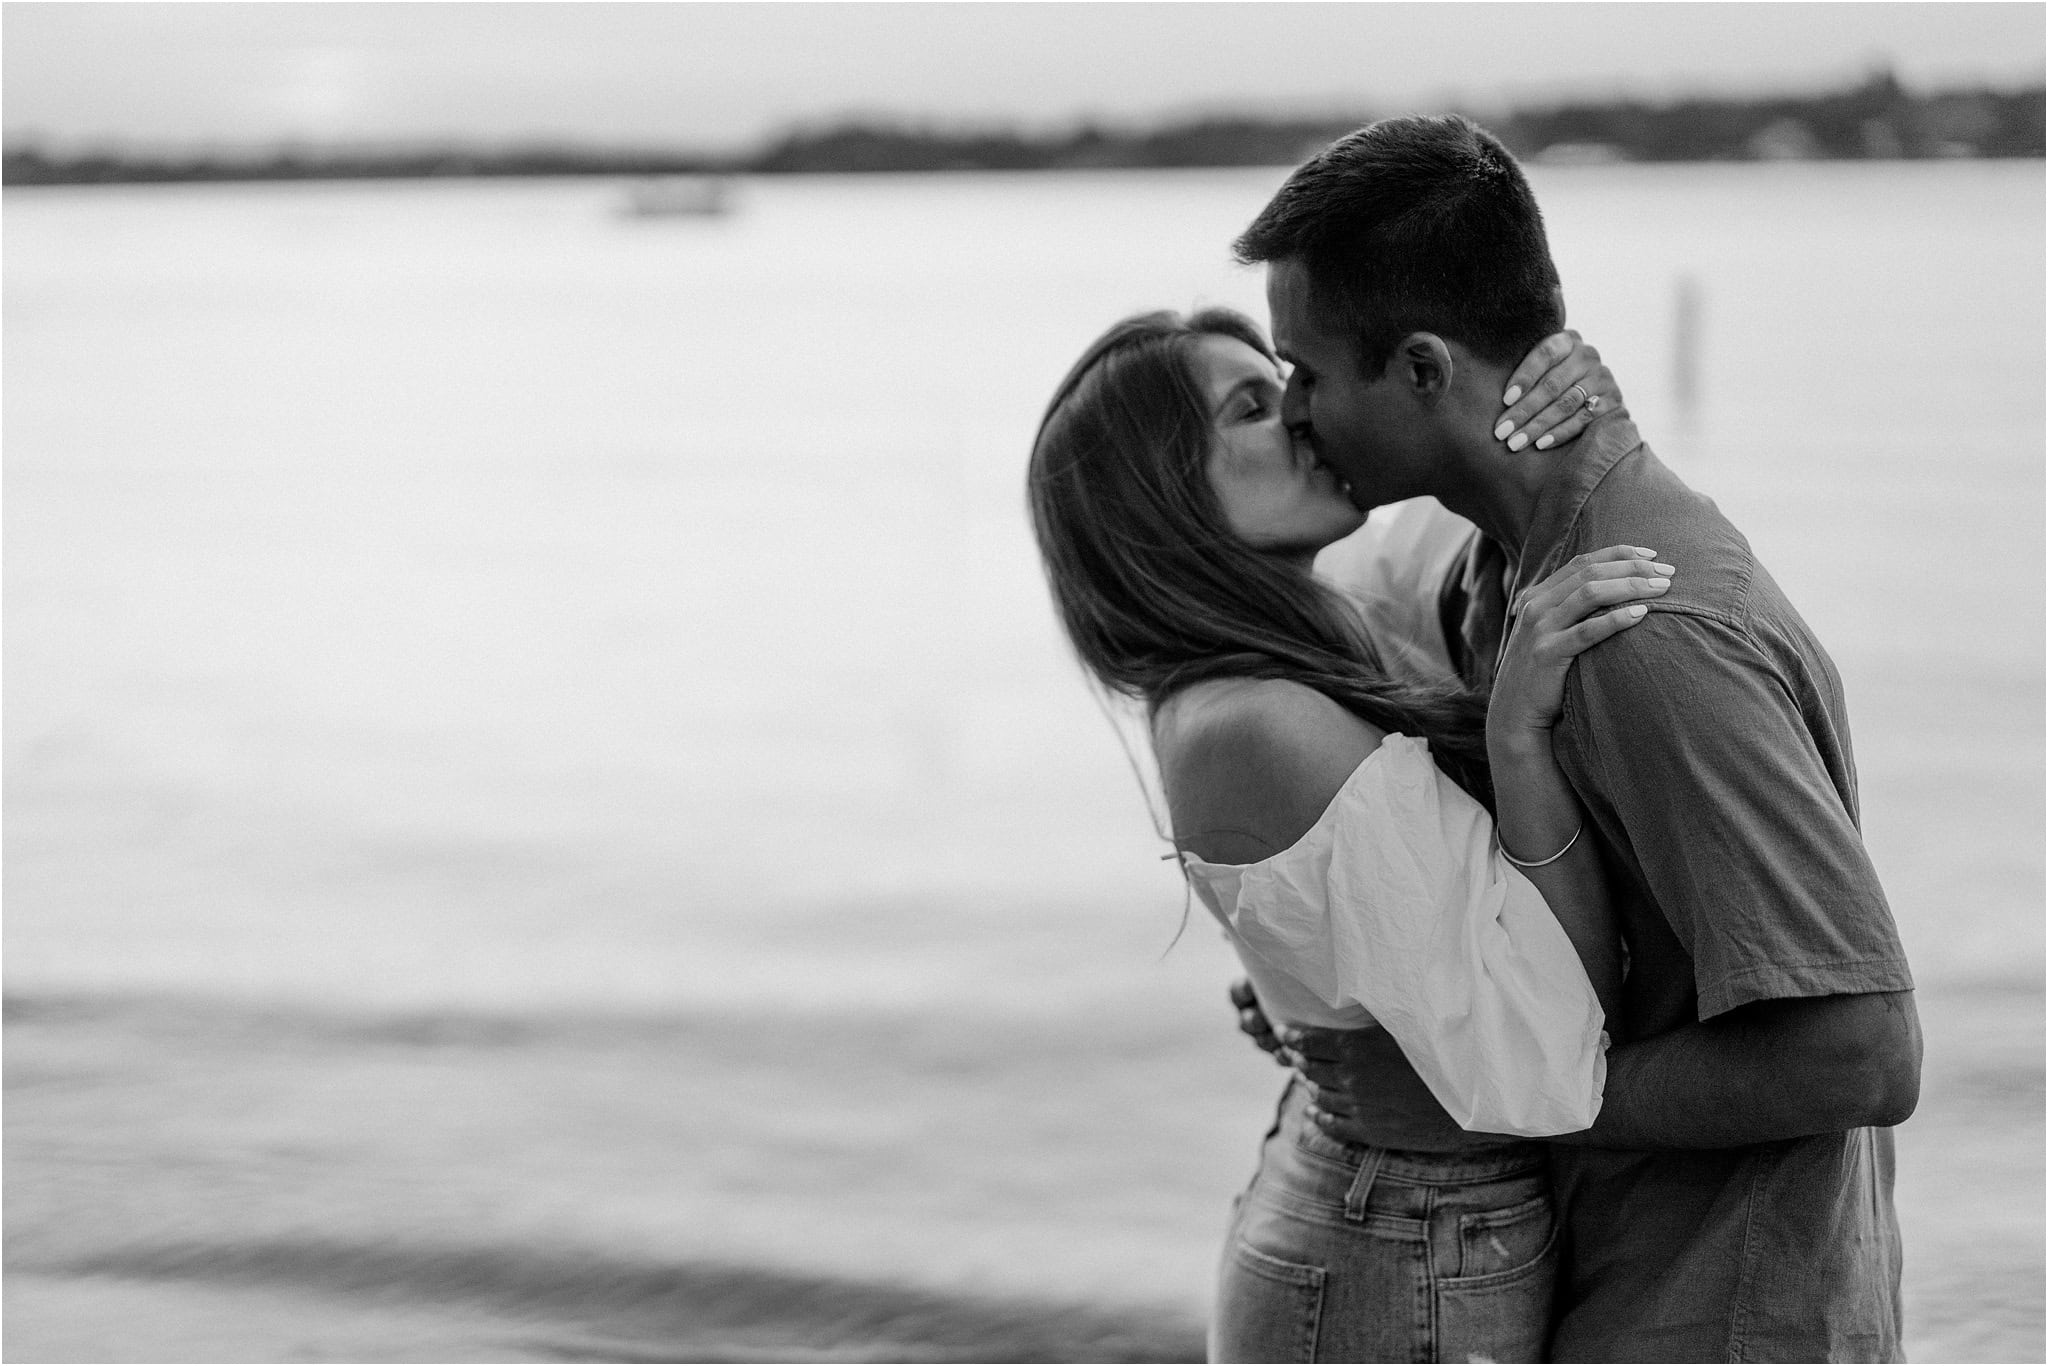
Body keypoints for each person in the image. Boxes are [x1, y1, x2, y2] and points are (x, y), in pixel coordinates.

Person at [1229, 114, 1920, 1362]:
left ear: (1426, 370)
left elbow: (1857, 1055)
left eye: (1306, 371)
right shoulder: (1501, 571)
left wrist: (1497, 1093)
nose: (1291, 411)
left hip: (1721, 1321)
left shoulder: (1646, 633)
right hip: (1617, 1289)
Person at [1027, 305, 1673, 1361]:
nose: (1297, 411)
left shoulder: (1313, 618)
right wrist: (1516, 733)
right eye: (1248, 405)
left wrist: (1555, 405)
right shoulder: (1252, 721)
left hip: (1404, 1221)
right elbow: (1550, 1058)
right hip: (1400, 1248)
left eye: (1285, 383)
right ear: (1160, 493)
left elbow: (1464, 512)